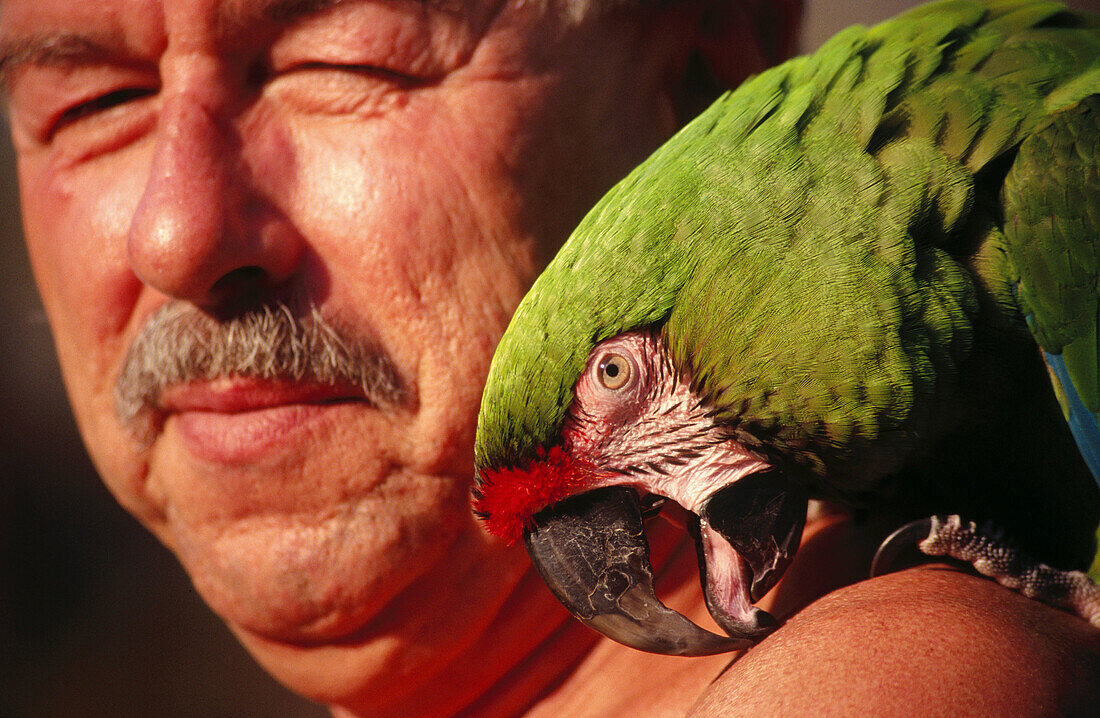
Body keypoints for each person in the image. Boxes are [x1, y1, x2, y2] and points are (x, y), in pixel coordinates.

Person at [2, 0, 1097, 716]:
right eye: (91, 101)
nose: (175, 233)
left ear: (703, 73)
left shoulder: (881, 680)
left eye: (341, 61)